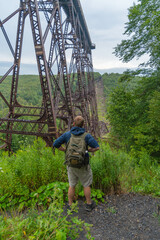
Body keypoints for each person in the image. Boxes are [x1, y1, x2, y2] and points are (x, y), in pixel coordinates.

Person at [53, 116, 100, 211]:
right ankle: (88, 204)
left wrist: (65, 150)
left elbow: (55, 144)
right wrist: (87, 150)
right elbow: (97, 147)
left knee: (72, 185)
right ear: (83, 125)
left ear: (73, 124)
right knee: (86, 184)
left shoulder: (67, 135)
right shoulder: (86, 136)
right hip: (83, 164)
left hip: (71, 165)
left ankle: (70, 205)